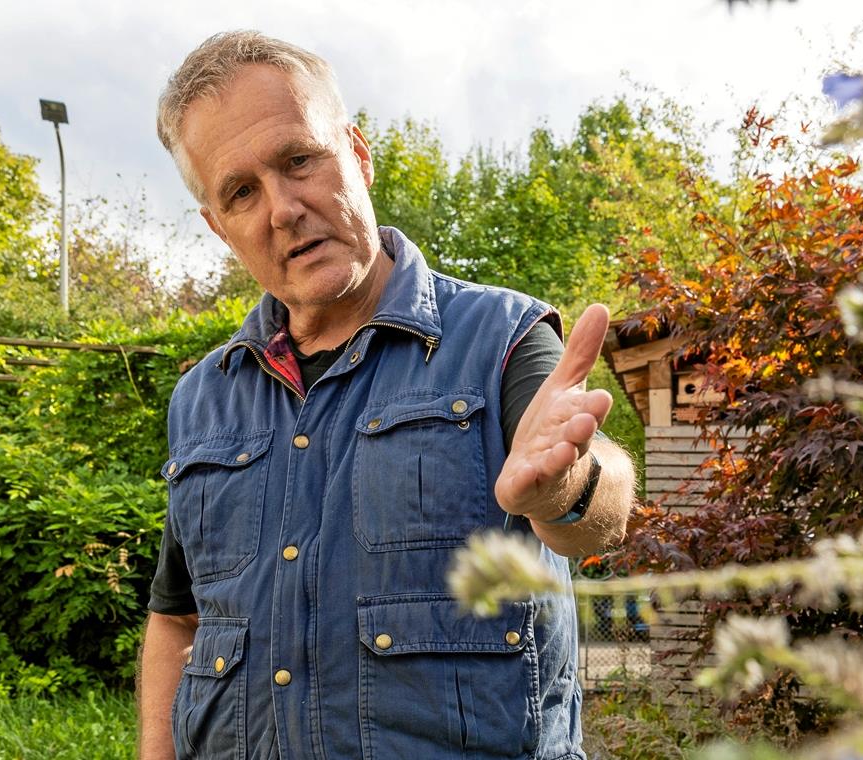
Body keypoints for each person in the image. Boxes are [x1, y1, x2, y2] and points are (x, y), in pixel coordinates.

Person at [138, 31, 636, 760]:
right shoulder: (201, 399)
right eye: (241, 192)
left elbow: (600, 508)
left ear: (358, 154)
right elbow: (177, 620)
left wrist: (563, 485)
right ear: (219, 227)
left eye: (298, 159)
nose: (282, 208)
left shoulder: (498, 336)